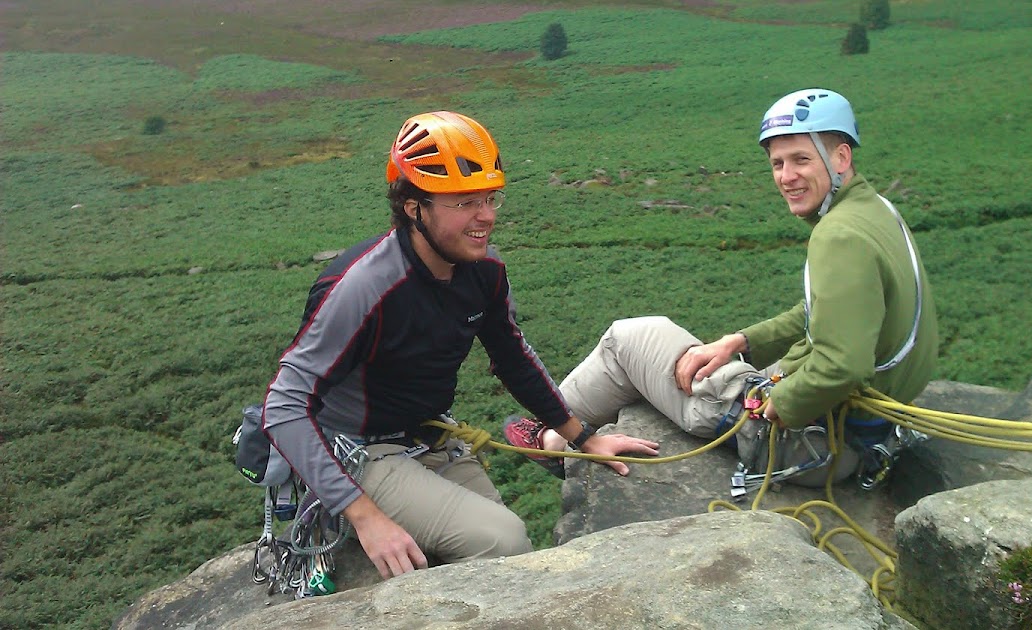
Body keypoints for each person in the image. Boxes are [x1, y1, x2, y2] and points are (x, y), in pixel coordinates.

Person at [260, 110, 659, 579]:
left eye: (490, 198)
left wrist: (585, 438)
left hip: (428, 436)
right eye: (465, 202)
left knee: (513, 550)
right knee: (503, 541)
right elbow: (283, 406)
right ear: (414, 207)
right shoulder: (363, 288)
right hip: (357, 450)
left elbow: (513, 357)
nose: (486, 216)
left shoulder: (483, 272)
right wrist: (364, 516)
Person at [505, 88, 938, 486]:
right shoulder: (876, 211)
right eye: (778, 163)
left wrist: (781, 403)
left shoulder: (838, 236)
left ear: (840, 158)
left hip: (815, 442)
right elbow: (824, 311)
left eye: (801, 160)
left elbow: (844, 365)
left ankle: (553, 440)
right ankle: (562, 433)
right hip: (865, 433)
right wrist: (742, 342)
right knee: (669, 352)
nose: (787, 176)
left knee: (627, 339)